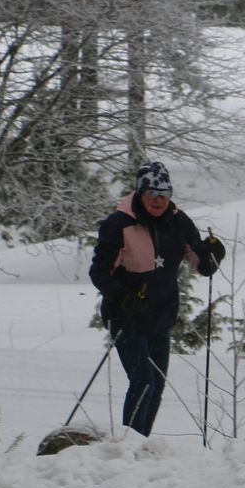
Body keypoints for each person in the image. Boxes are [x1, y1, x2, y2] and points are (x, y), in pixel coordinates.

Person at [88, 161, 225, 436]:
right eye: (152, 194)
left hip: (161, 316)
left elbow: (200, 261)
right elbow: (99, 272)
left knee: (157, 383)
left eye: (164, 194)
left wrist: (212, 255)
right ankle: (129, 445)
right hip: (126, 317)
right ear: (141, 193)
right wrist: (121, 295)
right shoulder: (120, 224)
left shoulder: (179, 221)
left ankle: (140, 442)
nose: (159, 200)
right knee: (143, 381)